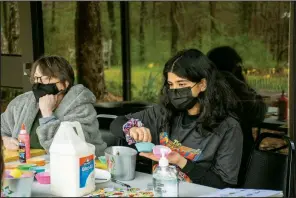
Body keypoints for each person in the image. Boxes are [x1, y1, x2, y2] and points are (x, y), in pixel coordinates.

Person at [110, 49, 243, 188]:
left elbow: (224, 186)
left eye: (182, 84)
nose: (175, 91)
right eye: (171, 85)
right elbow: (116, 123)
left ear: (202, 84)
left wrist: (181, 162)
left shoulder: (228, 127)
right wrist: (131, 129)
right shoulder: (163, 113)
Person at [1, 55, 107, 157]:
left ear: (64, 84)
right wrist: (4, 140)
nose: (38, 84)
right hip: (28, 169)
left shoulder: (82, 108)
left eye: (45, 79)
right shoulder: (22, 103)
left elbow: (70, 149)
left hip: (79, 169)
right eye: (36, 79)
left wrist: (47, 114)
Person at [207, 46, 267, 185]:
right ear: (233, 65)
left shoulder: (205, 82)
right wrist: (242, 81)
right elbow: (257, 113)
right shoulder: (230, 81)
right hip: (235, 147)